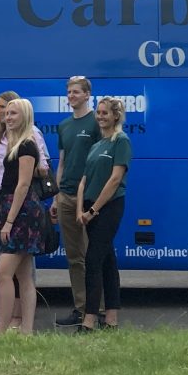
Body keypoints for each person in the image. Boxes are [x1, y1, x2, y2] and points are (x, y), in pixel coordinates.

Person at [0, 88, 48, 327]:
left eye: (13, 113)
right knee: (23, 275)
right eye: (6, 113)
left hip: (21, 210)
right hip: (9, 206)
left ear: (25, 116)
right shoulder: (7, 141)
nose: (7, 117)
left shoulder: (27, 144)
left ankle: (4, 327)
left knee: (3, 272)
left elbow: (22, 185)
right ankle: (25, 330)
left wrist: (9, 221)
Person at [76, 96, 132, 332]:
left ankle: (89, 320)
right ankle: (111, 319)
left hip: (108, 207)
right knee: (108, 261)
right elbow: (84, 180)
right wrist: (80, 209)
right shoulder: (97, 145)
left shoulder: (121, 141)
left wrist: (92, 210)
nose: (100, 116)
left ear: (115, 116)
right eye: (98, 112)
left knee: (93, 260)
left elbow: (115, 179)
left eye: (104, 113)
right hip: (88, 208)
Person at [53, 75, 97, 327]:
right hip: (67, 196)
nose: (71, 96)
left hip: (89, 197)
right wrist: (57, 196)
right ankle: (81, 308)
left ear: (87, 95)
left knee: (93, 253)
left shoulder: (96, 122)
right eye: (69, 92)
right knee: (74, 256)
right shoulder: (64, 125)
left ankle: (97, 307)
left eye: (76, 92)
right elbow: (62, 161)